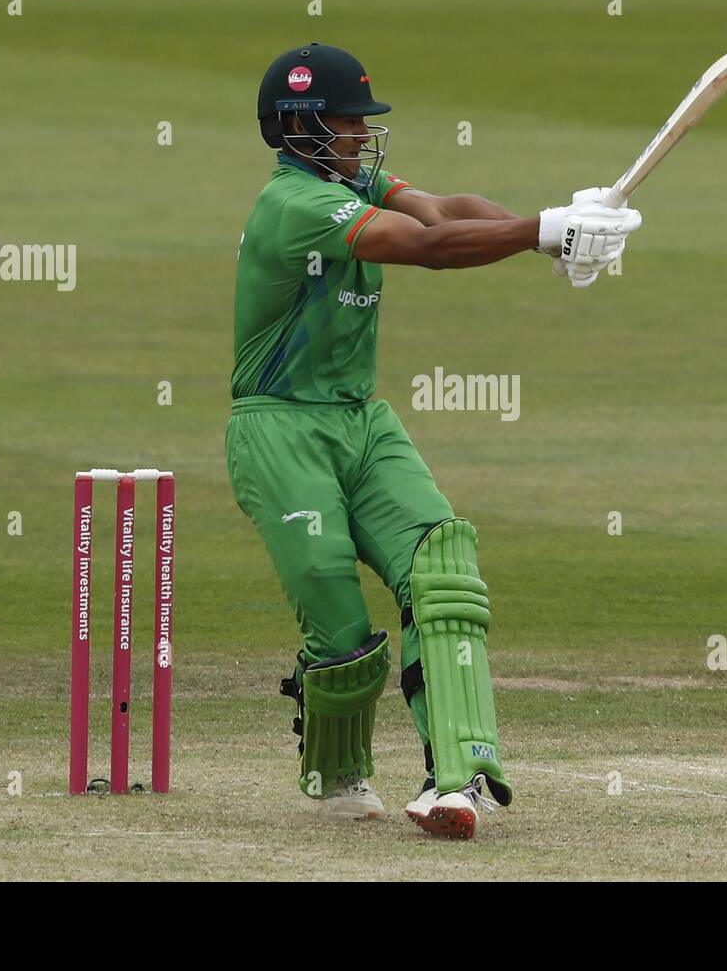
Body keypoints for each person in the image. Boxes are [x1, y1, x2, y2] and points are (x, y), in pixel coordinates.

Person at [225, 42, 642, 839]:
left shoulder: (353, 182)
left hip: (360, 419)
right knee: (339, 620)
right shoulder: (298, 204)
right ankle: (337, 766)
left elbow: (447, 210)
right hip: (279, 427)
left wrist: (561, 224)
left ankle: (461, 776)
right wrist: (541, 231)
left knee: (439, 560)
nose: (362, 135)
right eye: (347, 121)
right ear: (299, 125)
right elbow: (428, 250)